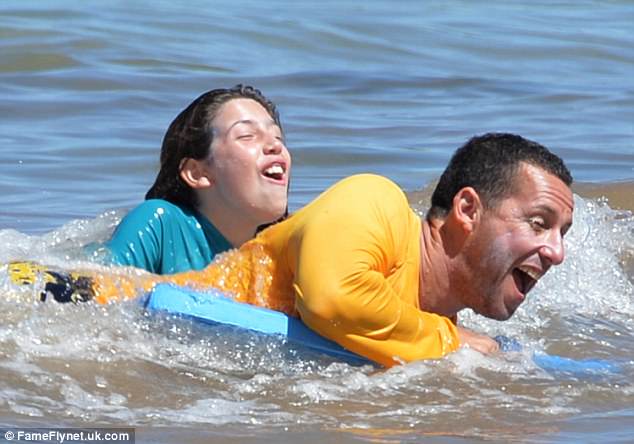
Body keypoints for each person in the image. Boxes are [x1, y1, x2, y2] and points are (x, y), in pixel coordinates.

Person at [9, 133, 574, 368]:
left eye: (563, 234)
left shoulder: (428, 315)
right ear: (467, 210)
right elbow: (332, 301)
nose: (556, 253)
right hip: (86, 303)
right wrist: (455, 345)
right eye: (540, 223)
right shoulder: (374, 202)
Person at [103, 84, 291, 274]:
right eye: (247, 136)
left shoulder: (283, 250)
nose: (275, 145)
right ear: (197, 173)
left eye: (278, 137)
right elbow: (90, 287)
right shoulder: (160, 224)